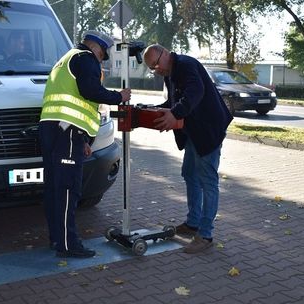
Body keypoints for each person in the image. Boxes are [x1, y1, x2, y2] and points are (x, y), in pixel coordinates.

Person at [39, 30, 131, 258]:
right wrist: (119, 97)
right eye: (103, 56)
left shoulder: (67, 59)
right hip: (67, 133)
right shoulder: (86, 58)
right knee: (68, 189)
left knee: (54, 189)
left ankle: (58, 240)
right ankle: (69, 245)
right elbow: (89, 91)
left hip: (56, 131)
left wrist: (83, 140)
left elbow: (72, 100)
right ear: (98, 48)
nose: (101, 61)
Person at [143, 44, 233, 254]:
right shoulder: (170, 71)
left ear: (165, 53)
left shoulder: (184, 65)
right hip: (194, 130)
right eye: (152, 68)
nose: (156, 70)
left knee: (207, 180)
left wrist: (175, 113)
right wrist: (157, 110)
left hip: (209, 130)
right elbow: (177, 100)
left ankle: (205, 234)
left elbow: (195, 91)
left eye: (156, 64)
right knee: (189, 174)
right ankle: (193, 223)